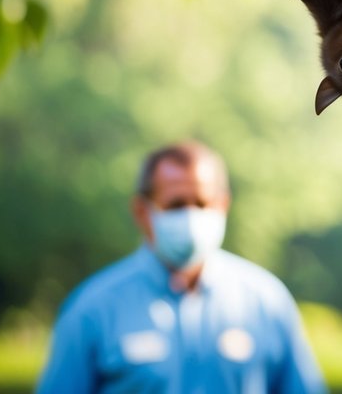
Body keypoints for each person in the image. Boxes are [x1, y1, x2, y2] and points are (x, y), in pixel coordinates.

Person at [36, 140, 327, 394]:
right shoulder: (92, 310)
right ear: (142, 212)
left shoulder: (268, 302)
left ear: (223, 205)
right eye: (176, 205)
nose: (191, 216)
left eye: (202, 203)